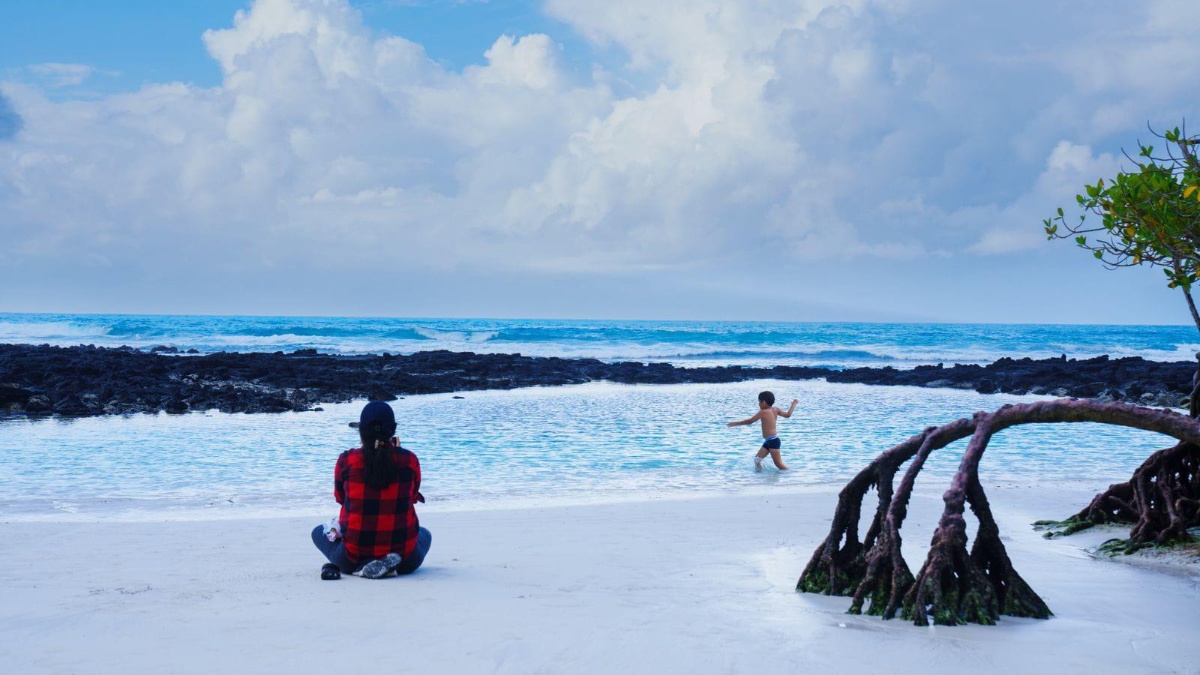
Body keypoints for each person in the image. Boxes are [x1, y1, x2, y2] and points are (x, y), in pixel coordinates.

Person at [311, 400, 432, 579]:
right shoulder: (409, 460)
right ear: (393, 429)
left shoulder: (346, 461)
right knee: (425, 533)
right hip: (405, 560)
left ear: (361, 430)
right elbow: (412, 496)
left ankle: (364, 564)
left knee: (317, 532)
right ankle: (386, 563)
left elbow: (341, 498)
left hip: (351, 558)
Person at [726, 391, 798, 472]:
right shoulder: (776, 409)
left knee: (779, 465)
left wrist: (735, 423)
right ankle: (760, 478)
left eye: (759, 402)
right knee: (757, 460)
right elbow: (788, 415)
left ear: (763, 402)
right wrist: (793, 404)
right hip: (769, 441)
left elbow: (750, 421)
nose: (759, 404)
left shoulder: (763, 412)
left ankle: (793, 475)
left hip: (773, 441)